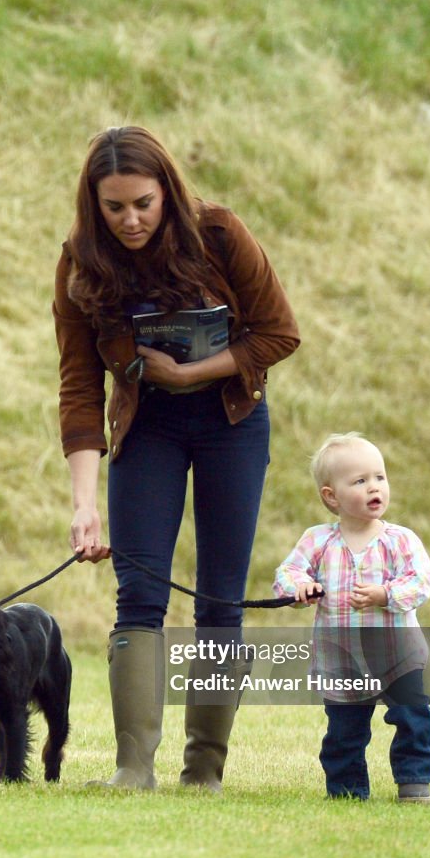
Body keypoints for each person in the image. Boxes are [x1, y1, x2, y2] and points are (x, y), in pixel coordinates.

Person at [53, 126, 300, 791]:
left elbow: (280, 331)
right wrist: (84, 506)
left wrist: (195, 374)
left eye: (143, 203)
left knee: (220, 601)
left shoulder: (218, 234)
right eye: (114, 208)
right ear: (93, 206)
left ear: (166, 191)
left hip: (231, 422)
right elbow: (80, 386)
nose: (130, 219)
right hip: (147, 426)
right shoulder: (81, 262)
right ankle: (133, 770)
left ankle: (205, 772)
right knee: (139, 595)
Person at [273, 433, 430, 802]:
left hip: (398, 656)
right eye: (360, 481)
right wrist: (301, 588)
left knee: (412, 718)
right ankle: (346, 790)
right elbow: (287, 574)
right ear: (331, 496)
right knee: (344, 732)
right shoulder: (317, 541)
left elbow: (421, 582)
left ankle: (414, 782)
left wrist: (386, 595)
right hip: (342, 660)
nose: (374, 487)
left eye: (379, 477)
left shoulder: (400, 540)